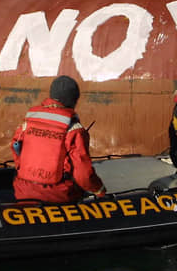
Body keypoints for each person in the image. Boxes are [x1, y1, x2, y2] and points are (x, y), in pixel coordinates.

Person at [11, 75, 106, 203]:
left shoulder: (28, 122)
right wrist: (99, 190)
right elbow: (83, 174)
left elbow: (16, 150)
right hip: (58, 196)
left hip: (23, 193)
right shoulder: (74, 129)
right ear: (73, 101)